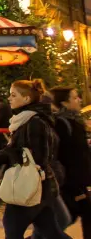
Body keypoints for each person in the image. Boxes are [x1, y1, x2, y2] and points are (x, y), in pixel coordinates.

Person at [0, 79, 68, 239]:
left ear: (26, 99)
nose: (9, 98)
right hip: (41, 186)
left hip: (30, 185)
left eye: (13, 95)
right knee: (51, 233)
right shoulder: (29, 119)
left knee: (13, 230)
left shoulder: (33, 122)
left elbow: (33, 155)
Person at [52, 86, 91, 238]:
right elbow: (64, 154)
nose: (79, 100)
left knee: (73, 217)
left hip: (76, 181)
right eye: (74, 97)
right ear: (64, 103)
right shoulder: (61, 124)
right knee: (62, 221)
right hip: (70, 182)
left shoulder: (74, 122)